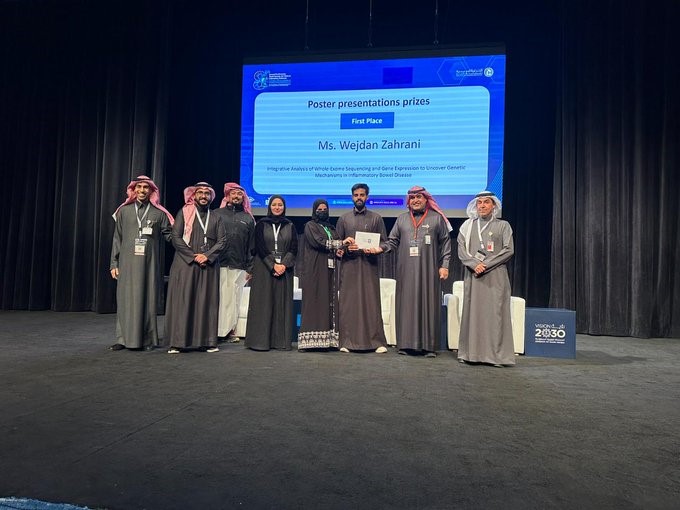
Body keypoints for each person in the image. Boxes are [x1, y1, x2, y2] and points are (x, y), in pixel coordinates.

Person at [110, 175, 174, 351]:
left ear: (151, 190)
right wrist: (114, 263)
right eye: (139, 187)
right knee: (125, 299)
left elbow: (170, 236)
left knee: (148, 299)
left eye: (146, 187)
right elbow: (117, 239)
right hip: (127, 263)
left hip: (149, 264)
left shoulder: (159, 213)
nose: (142, 190)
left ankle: (147, 339)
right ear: (133, 189)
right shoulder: (123, 211)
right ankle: (123, 339)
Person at [387, 186, 452, 357]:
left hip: (428, 271)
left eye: (418, 197)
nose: (415, 200)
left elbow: (446, 243)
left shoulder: (437, 218)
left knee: (428, 304)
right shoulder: (401, 219)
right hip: (406, 271)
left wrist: (444, 265)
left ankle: (429, 347)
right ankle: (405, 344)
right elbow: (392, 242)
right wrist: (378, 248)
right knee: (405, 305)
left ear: (426, 199)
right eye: (412, 198)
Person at [165, 182, 226, 353]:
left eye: (207, 193)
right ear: (194, 195)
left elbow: (222, 241)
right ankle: (177, 342)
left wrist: (207, 256)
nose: (204, 196)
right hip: (186, 264)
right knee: (183, 301)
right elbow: (176, 237)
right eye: (200, 192)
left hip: (208, 265)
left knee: (207, 302)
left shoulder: (216, 217)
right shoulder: (184, 213)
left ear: (211, 197)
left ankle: (207, 341)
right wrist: (193, 256)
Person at [457, 190, 515, 367]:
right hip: (474, 275)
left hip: (495, 276)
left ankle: (497, 357)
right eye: (479, 202)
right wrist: (474, 264)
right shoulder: (467, 226)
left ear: (494, 205)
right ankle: (470, 354)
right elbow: (461, 249)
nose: (482, 206)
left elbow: (508, 250)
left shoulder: (503, 225)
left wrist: (486, 265)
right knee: (473, 314)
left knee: (495, 316)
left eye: (486, 202)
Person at [335, 183, 389, 354]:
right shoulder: (343, 219)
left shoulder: (376, 218)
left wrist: (377, 249)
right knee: (348, 304)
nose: (359, 197)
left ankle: (376, 342)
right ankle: (346, 341)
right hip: (349, 267)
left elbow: (385, 242)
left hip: (369, 266)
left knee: (371, 302)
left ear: (367, 197)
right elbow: (337, 246)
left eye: (362, 195)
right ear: (352, 197)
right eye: (356, 195)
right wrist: (346, 248)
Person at [245, 195, 297, 351]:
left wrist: (283, 265)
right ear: (269, 206)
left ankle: (280, 342)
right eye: (274, 204)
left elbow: (294, 248)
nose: (277, 207)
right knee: (263, 303)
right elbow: (259, 246)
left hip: (284, 270)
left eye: (280, 205)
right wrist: (273, 265)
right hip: (264, 268)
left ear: (284, 207)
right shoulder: (261, 224)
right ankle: (260, 342)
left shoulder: (290, 225)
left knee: (281, 304)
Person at [297, 199, 342, 351]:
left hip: (330, 269)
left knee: (329, 300)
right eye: (319, 209)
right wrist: (341, 244)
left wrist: (340, 250)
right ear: (314, 211)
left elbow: (337, 243)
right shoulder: (310, 226)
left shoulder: (331, 228)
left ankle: (329, 340)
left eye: (325, 209)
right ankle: (310, 340)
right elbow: (318, 242)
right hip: (315, 269)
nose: (322, 211)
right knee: (315, 299)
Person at [214, 182, 255, 342]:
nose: (236, 197)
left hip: (239, 265)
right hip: (218, 263)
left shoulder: (248, 218)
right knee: (219, 297)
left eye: (240, 194)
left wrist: (250, 268)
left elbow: (251, 246)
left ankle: (230, 331)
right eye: (234, 193)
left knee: (234, 298)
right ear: (227, 196)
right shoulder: (216, 214)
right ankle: (215, 330)